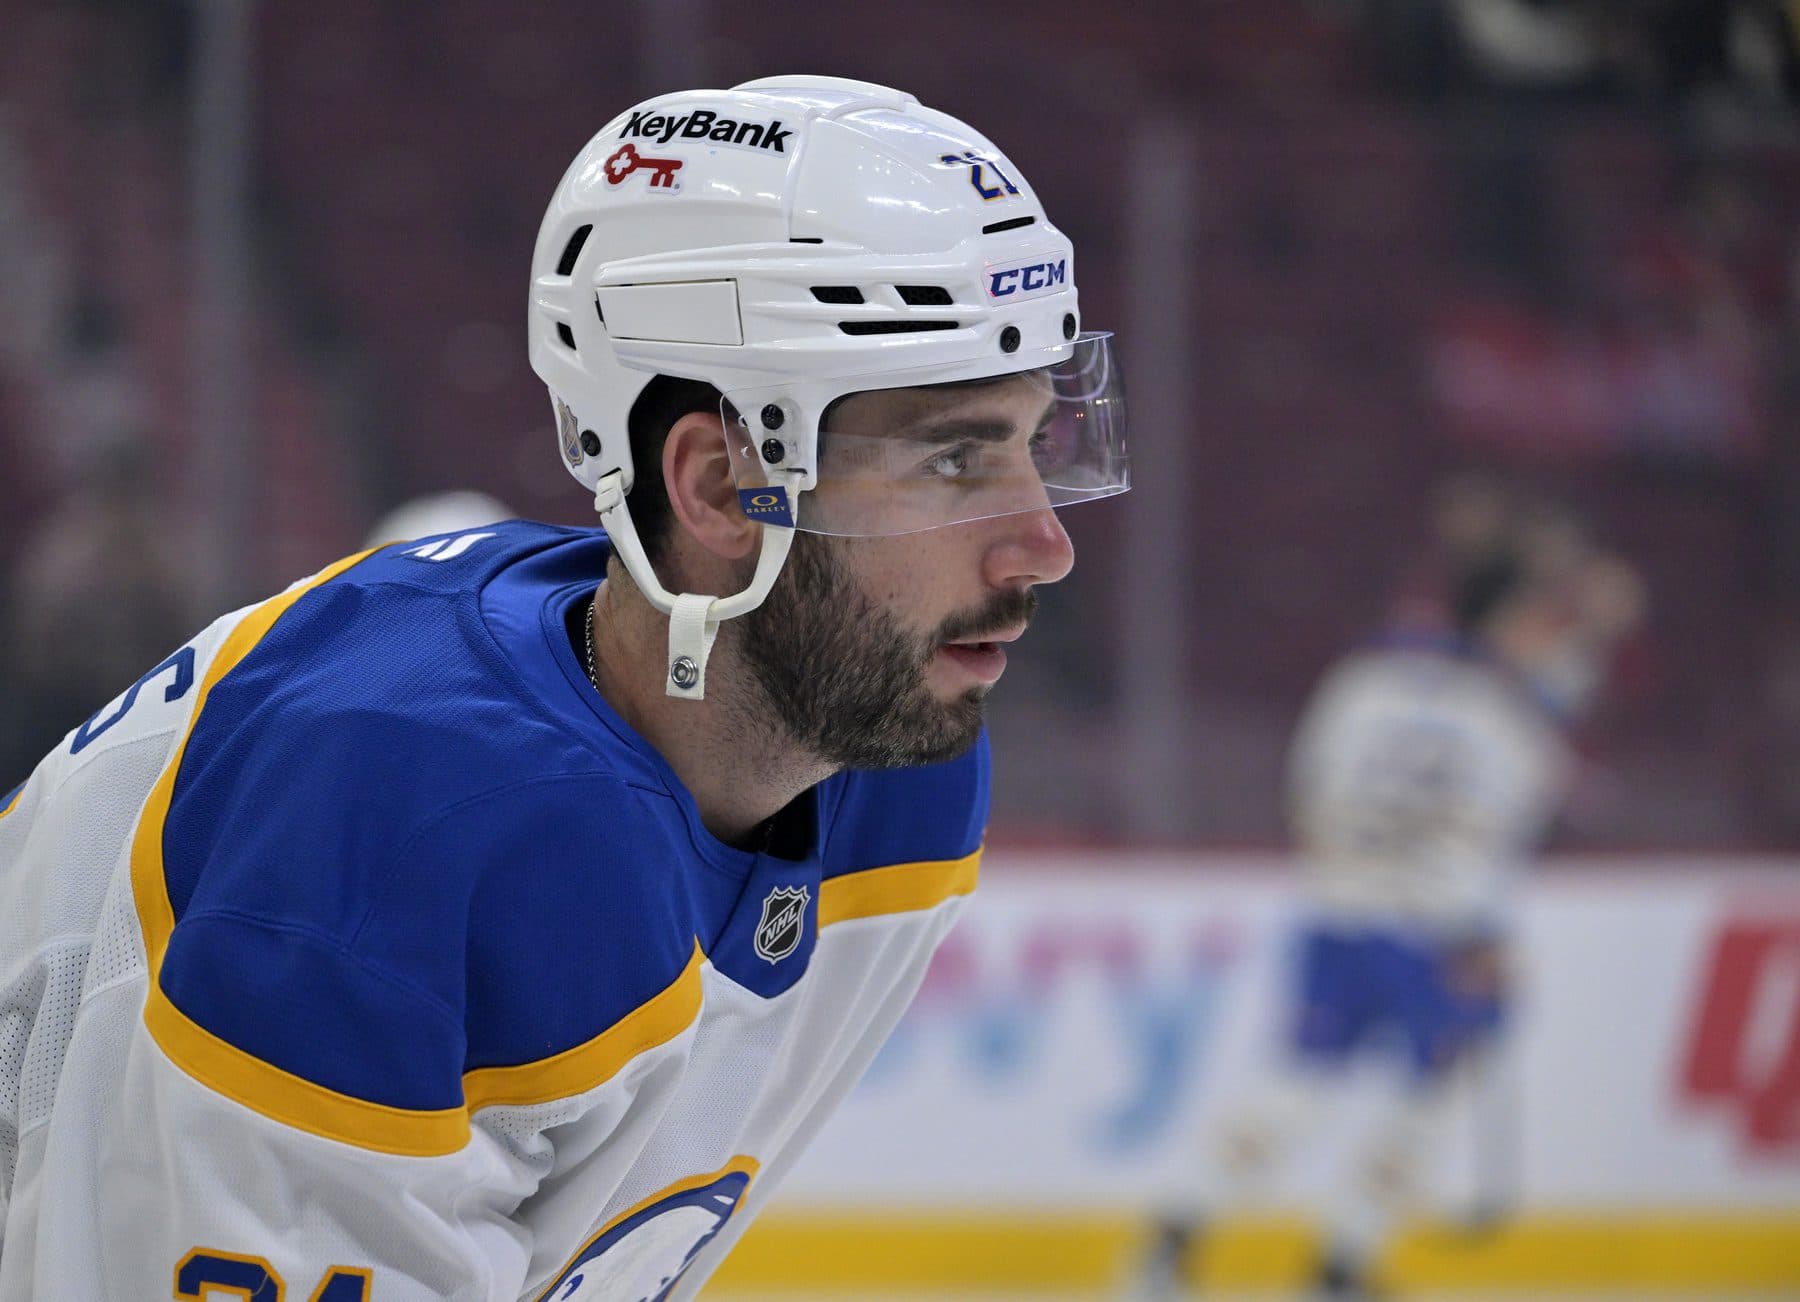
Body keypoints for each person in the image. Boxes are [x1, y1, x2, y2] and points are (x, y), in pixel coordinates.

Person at [0, 76, 1128, 1301]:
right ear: (714, 486)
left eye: (1036, 442)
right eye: (953, 457)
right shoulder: (390, 819)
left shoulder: (891, 771)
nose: (1045, 546)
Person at [1136, 526, 1641, 1300]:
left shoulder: (1363, 681)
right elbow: (1510, 823)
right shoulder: (1509, 709)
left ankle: (1171, 1247)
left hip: (1339, 914)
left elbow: (1309, 790)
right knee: (1424, 1105)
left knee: (1296, 1087)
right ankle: (1340, 1265)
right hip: (1440, 935)